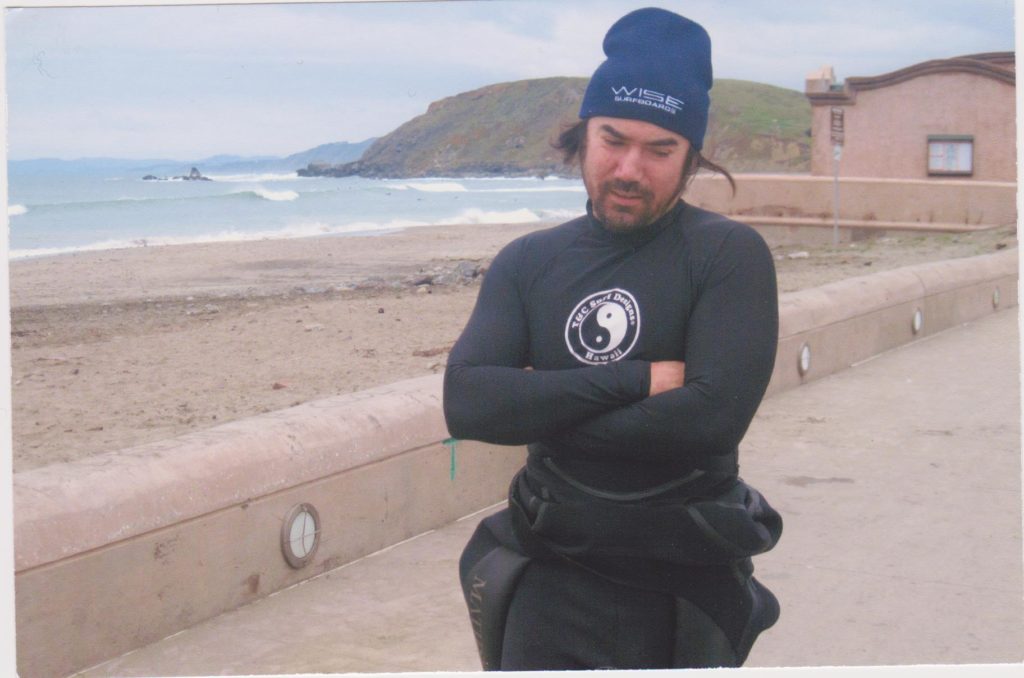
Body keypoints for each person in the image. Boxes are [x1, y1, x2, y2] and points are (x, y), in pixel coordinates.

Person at [443, 7, 782, 671]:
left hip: (683, 585)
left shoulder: (728, 256)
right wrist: (639, 379)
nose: (630, 167)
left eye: (660, 150)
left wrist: (541, 405)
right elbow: (470, 403)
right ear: (582, 136)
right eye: (613, 139)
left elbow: (710, 420)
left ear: (690, 159)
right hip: (547, 576)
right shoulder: (529, 261)